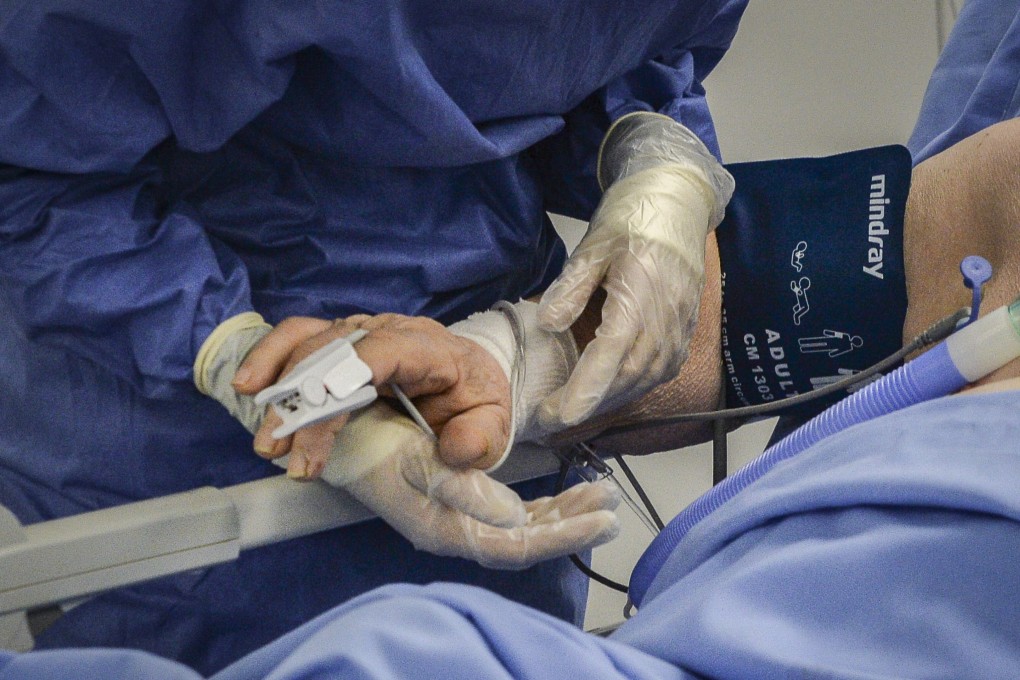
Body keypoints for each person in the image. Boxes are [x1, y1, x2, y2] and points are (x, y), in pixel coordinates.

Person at [0, 0, 749, 672]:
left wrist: (656, 151)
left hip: (482, 407)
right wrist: (229, 351)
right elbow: (29, 166)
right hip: (160, 408)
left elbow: (609, 46)